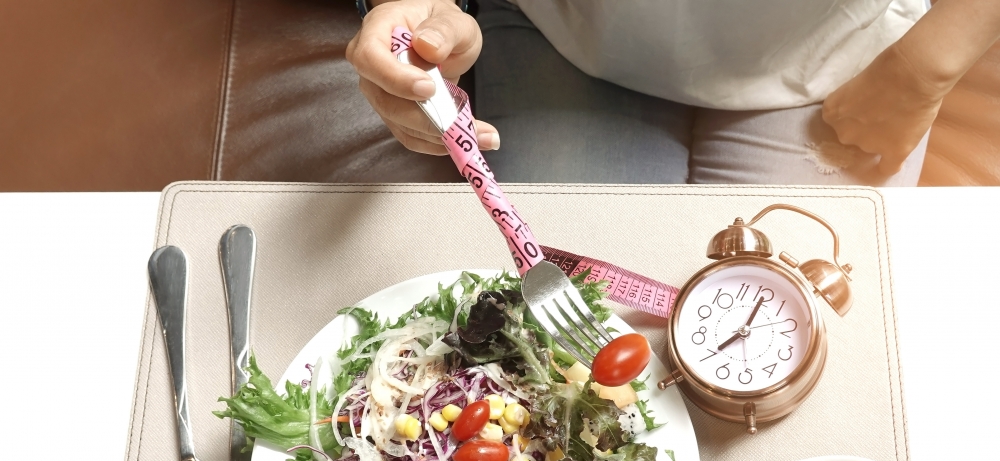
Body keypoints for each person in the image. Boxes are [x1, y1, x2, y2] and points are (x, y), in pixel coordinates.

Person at [347, 0, 1000, 185]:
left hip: (845, 53)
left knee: (802, 391)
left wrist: (926, 65)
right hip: (567, 29)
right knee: (551, 363)